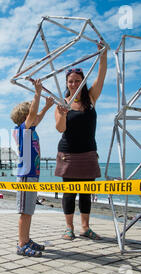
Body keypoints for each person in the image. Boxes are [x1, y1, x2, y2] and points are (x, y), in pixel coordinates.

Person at [54, 42, 107, 241]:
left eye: (77, 81)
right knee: (69, 193)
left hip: (88, 153)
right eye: (70, 81)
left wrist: (103, 55)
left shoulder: (90, 98)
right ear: (66, 84)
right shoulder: (62, 103)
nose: (74, 84)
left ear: (83, 82)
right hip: (68, 154)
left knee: (86, 192)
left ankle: (85, 227)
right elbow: (60, 129)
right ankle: (69, 228)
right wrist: (62, 114)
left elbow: (101, 76)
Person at [11, 79, 54, 257]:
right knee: (25, 212)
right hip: (25, 176)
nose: (36, 117)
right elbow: (33, 115)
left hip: (32, 175)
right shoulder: (22, 129)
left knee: (29, 210)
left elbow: (37, 116)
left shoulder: (29, 128)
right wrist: (37, 93)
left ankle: (26, 239)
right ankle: (21, 244)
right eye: (32, 114)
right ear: (26, 117)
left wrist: (47, 107)